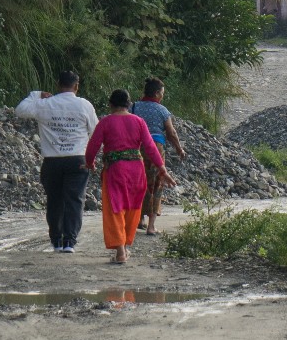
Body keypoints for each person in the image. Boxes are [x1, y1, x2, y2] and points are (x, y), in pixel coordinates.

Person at [15, 70, 99, 253]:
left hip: (52, 161)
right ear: (76, 86)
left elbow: (20, 110)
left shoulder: (44, 104)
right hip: (77, 159)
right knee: (75, 200)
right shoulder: (84, 105)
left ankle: (56, 240)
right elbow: (95, 132)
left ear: (57, 84)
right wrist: (92, 157)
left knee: (54, 200)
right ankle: (70, 241)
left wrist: (36, 94)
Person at [82, 89, 165, 264]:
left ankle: (120, 251)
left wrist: (90, 163)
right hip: (136, 170)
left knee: (115, 208)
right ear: (128, 104)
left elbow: (92, 147)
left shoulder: (106, 122)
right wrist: (162, 168)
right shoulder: (139, 122)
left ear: (110, 104)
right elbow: (150, 147)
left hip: (115, 170)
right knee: (133, 207)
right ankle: (124, 248)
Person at [130, 78, 187, 236]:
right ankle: (151, 226)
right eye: (162, 93)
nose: (162, 96)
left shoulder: (133, 107)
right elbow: (171, 133)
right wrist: (179, 149)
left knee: (139, 182)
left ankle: (139, 219)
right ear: (156, 93)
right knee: (156, 183)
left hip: (136, 150)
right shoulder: (162, 110)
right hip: (155, 148)